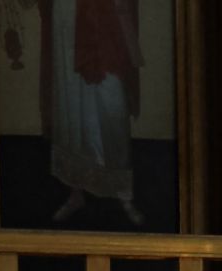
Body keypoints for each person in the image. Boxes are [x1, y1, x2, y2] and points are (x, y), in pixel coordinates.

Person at [37, 0, 145, 225]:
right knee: (71, 108)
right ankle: (76, 191)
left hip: (105, 24)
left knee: (113, 111)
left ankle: (123, 193)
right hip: (67, 19)